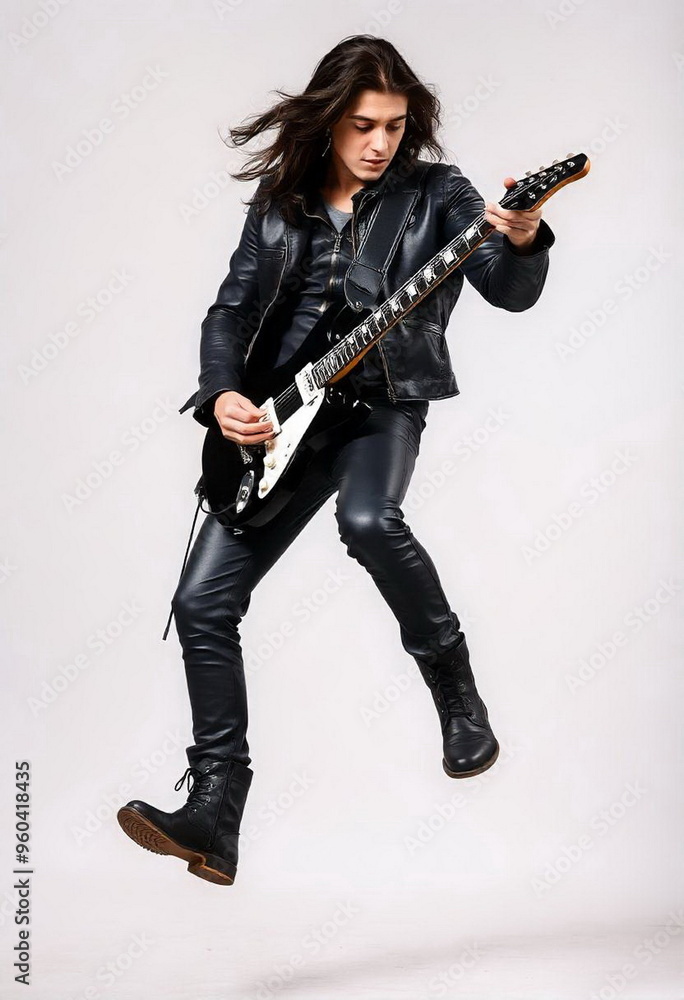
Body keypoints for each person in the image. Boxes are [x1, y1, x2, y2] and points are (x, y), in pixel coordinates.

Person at [117, 35, 555, 885]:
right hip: (280, 424)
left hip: (379, 408)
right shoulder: (280, 204)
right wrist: (223, 394)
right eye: (362, 125)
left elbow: (509, 288)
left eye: (394, 125)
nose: (380, 143)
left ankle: (457, 695)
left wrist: (526, 235)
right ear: (328, 120)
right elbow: (230, 311)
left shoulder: (436, 195)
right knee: (200, 601)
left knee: (368, 519)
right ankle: (215, 809)